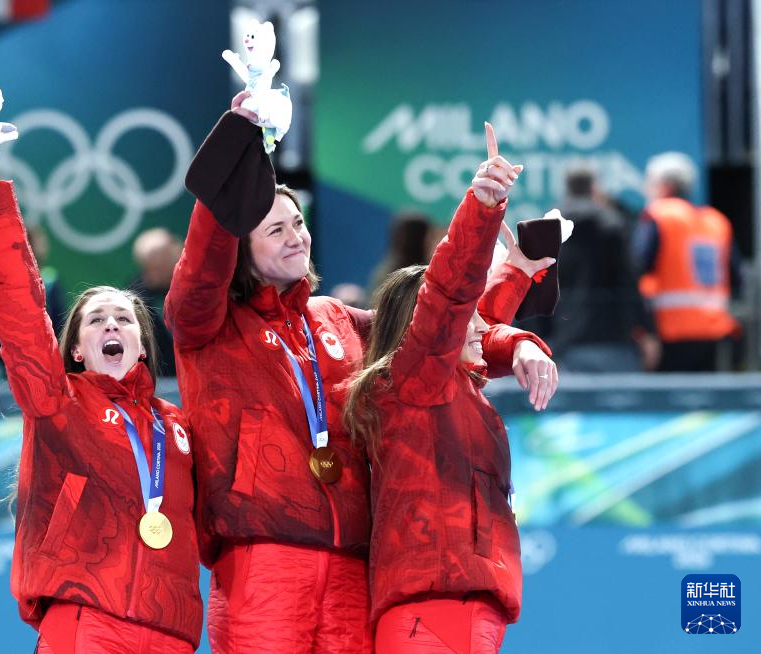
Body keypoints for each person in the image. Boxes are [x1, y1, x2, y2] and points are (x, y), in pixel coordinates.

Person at [165, 96, 552, 653]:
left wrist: (512, 341)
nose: (296, 236)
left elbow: (436, 333)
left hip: (355, 564)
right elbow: (204, 263)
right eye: (275, 230)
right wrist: (241, 142)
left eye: (298, 223)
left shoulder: (337, 319)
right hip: (263, 557)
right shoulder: (209, 324)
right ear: (240, 250)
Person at [0, 147, 203, 654]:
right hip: (87, 619)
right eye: (96, 319)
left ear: (142, 344)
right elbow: (20, 305)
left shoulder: (178, 427)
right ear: (75, 349)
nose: (112, 324)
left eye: (124, 319)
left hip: (171, 633)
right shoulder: (57, 403)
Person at [344, 125, 557, 653]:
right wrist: (482, 208)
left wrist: (518, 273)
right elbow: (450, 295)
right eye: (466, 314)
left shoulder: (455, 386)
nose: (482, 324)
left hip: (465, 602)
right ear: (423, 329)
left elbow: (479, 317)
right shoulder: (417, 384)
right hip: (434, 607)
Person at [530, 164, 648, 371]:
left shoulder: (547, 226)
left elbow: (537, 287)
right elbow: (628, 280)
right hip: (612, 337)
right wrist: (646, 329)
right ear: (594, 187)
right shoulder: (613, 222)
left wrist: (534, 339)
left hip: (563, 336)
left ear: (567, 187)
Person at [632, 152, 741, 371]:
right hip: (713, 331)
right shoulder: (717, 221)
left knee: (668, 392)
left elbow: (636, 266)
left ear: (665, 186)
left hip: (668, 331)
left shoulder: (659, 215)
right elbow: (736, 277)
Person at [129, 227, 182, 376]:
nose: (154, 275)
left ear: (178, 253)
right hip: (163, 378)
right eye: (150, 268)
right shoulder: (135, 297)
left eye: (161, 266)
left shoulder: (203, 286)